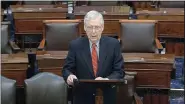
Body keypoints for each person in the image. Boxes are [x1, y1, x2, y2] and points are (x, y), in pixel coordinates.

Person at [62, 10, 125, 104]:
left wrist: (106, 80)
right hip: (82, 97)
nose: (93, 32)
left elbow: (119, 71)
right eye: (90, 27)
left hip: (106, 96)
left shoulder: (113, 44)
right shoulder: (75, 45)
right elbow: (66, 69)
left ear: (102, 27)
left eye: (97, 27)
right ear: (84, 27)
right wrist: (69, 76)